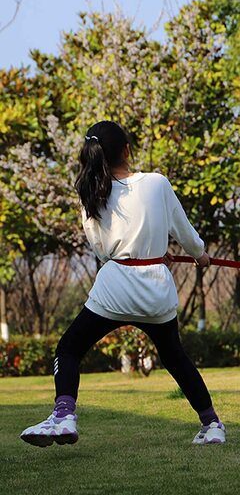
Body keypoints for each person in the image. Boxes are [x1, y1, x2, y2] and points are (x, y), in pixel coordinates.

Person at [20, 121, 226, 446]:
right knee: (175, 357)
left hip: (114, 291)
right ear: (127, 151)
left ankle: (63, 415)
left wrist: (142, 250)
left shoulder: (89, 193)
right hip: (155, 290)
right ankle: (212, 424)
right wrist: (197, 255)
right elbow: (184, 233)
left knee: (69, 349)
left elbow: (102, 251)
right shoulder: (157, 183)